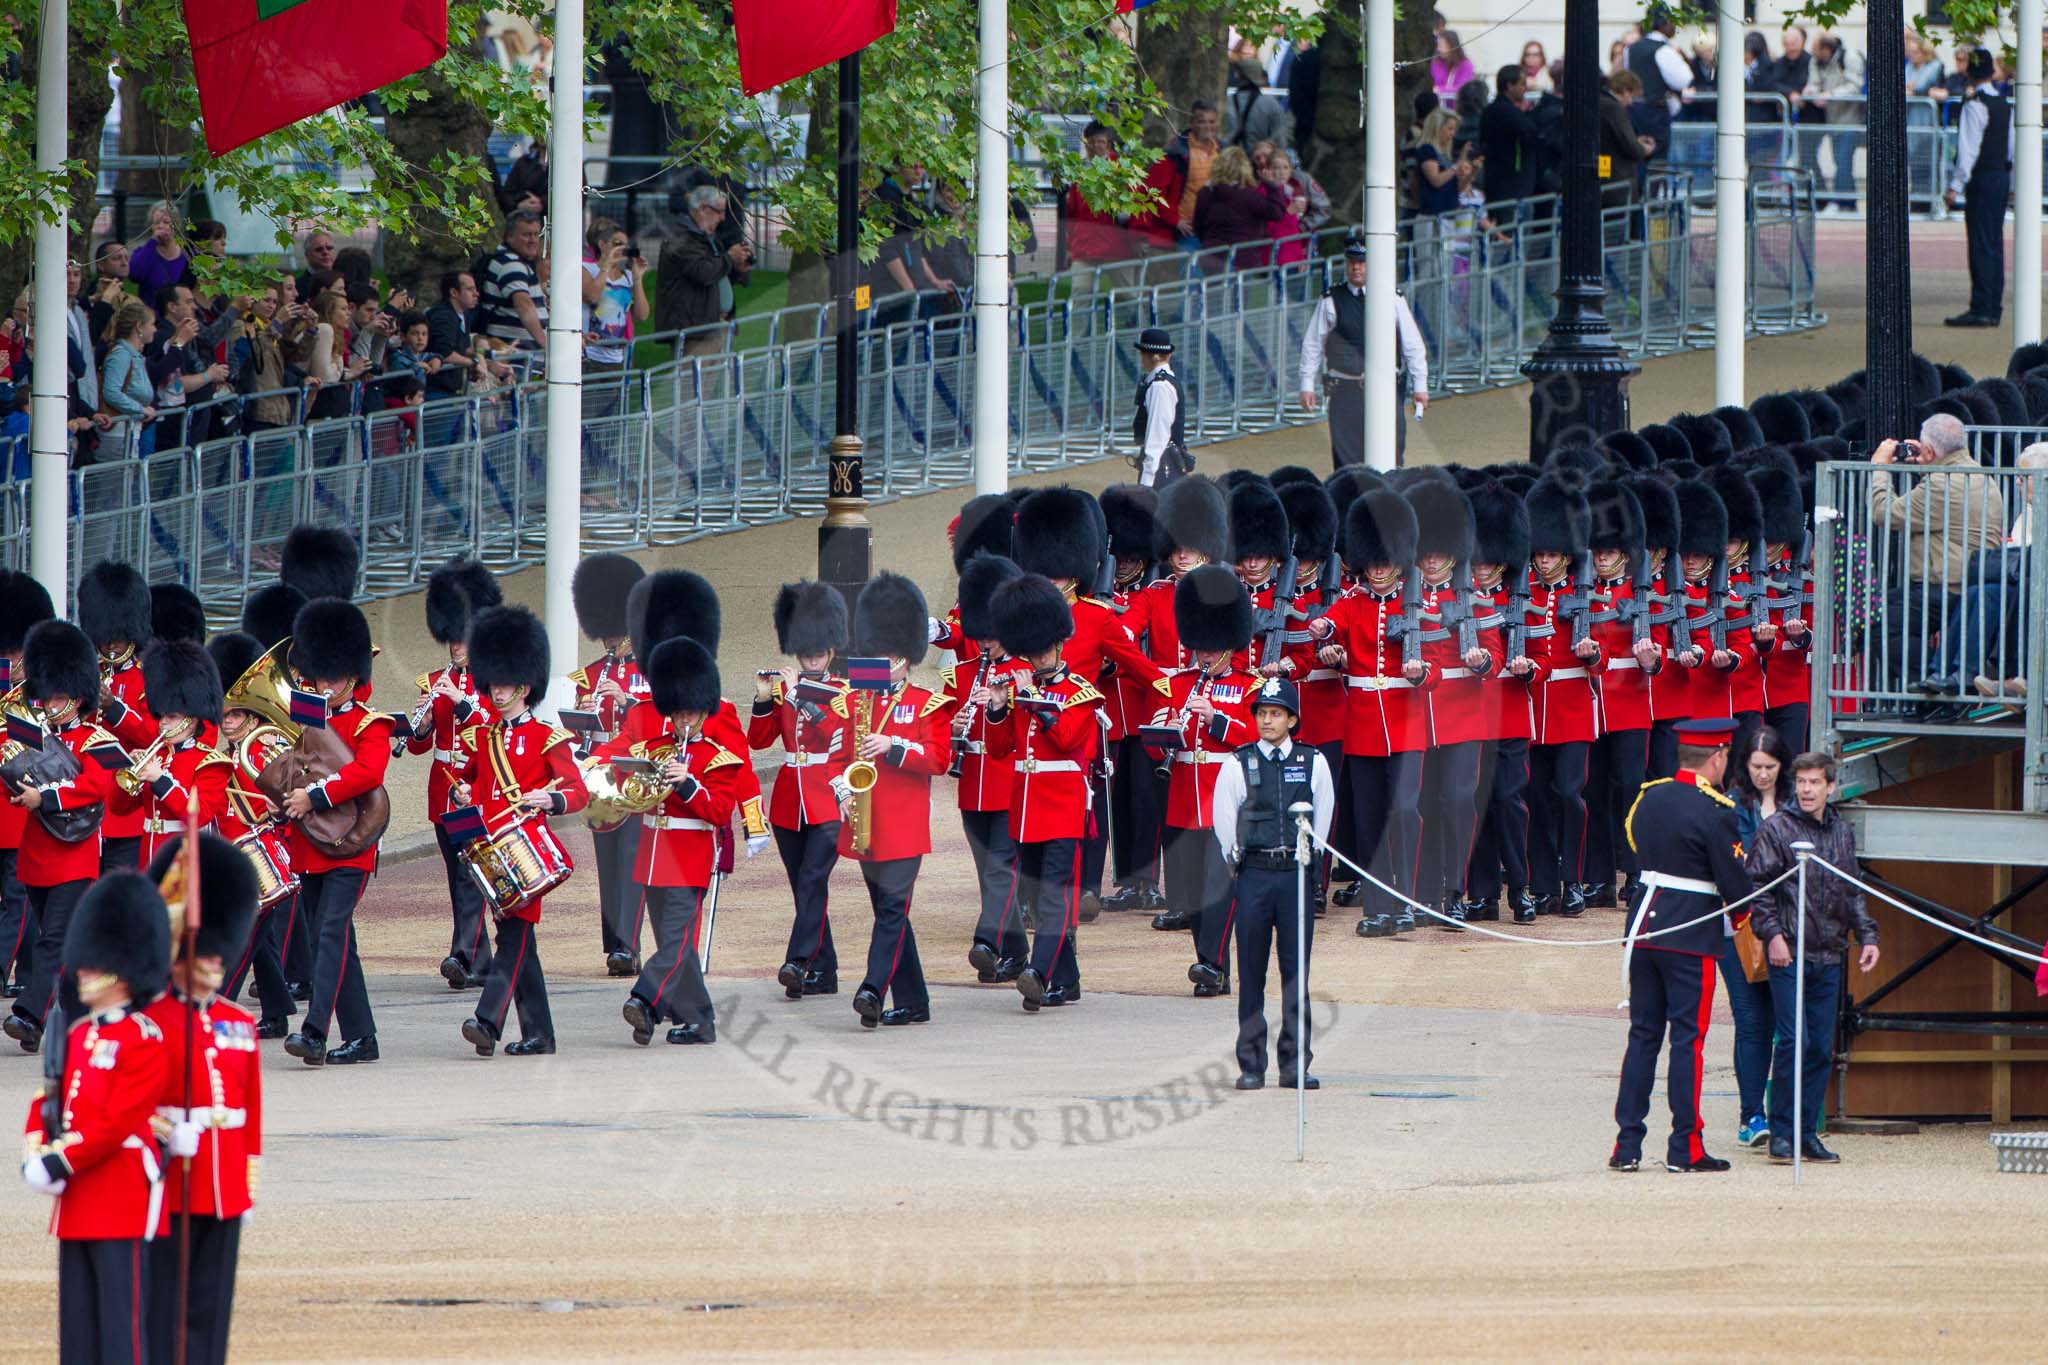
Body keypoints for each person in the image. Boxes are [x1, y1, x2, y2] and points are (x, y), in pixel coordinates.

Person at [19, 872, 172, 1365]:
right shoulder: (80, 1034)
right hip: (80, 1194)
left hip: (121, 1192)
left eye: (94, 965)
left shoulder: (143, 1037)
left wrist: (59, 1161)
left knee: (119, 1328)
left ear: (123, 970)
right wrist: (35, 1148)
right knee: (78, 1330)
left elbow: (118, 1121)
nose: (82, 972)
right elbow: (50, 1101)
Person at [1609, 716, 1754, 1174]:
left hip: (1644, 929)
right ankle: (1685, 1146)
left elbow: (1635, 845)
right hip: (1691, 934)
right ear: (1717, 757)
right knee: (1687, 1042)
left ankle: (1627, 1145)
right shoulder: (1716, 811)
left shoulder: (1649, 798)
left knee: (1643, 1038)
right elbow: (1736, 885)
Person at [142, 834, 262, 1365]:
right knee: (163, 1304)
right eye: (205, 958)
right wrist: (168, 1135)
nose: (215, 968)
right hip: (171, 1180)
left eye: (219, 959)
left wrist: (246, 1186)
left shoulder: (239, 1024)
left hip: (224, 1180)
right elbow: (129, 1102)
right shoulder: (151, 1019)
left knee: (214, 1310)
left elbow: (249, 1111)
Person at [451, 607, 588, 1058]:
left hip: (526, 851)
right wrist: (461, 794)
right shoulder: (483, 736)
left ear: (525, 687)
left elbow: (577, 790)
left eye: (505, 684)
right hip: (491, 850)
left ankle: (487, 1020)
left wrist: (552, 800)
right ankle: (539, 1033)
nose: (497, 690)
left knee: (513, 937)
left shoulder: (548, 738)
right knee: (519, 939)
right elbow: (468, 781)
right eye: (494, 683)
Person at [604, 634, 741, 1047]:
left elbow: (718, 811)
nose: (683, 721)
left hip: (691, 856)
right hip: (652, 856)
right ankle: (700, 1021)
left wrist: (688, 785)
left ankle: (646, 1000)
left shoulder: (718, 757)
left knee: (678, 941)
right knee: (673, 944)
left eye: (691, 713)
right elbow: (628, 786)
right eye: (677, 712)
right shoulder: (654, 749)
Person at [1745, 751, 1880, 1164]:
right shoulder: (1776, 828)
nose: (1806, 789)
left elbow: (1850, 888)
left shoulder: (1840, 829)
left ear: (1830, 786)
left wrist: (1868, 934)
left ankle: (1806, 1132)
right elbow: (1759, 888)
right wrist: (1772, 936)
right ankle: (1781, 1132)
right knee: (1793, 1041)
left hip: (1830, 951)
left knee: (1821, 1046)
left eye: (1814, 782)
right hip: (1790, 950)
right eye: (1801, 782)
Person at [1307, 488, 1430, 937]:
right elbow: (1327, 621)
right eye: (1372, 562)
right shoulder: (1355, 601)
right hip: (1362, 725)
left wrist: (1421, 672)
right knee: (1371, 819)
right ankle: (1377, 905)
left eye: (1385, 561)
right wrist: (1321, 629)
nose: (1377, 570)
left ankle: (1408, 900)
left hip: (1406, 723)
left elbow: (1433, 663)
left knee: (1405, 812)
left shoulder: (1416, 603)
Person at [831, 575, 949, 1029]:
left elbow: (938, 758)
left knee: (892, 911)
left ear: (903, 659)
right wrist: (843, 788)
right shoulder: (857, 701)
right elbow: (839, 758)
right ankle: (914, 1001)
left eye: (883, 657)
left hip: (903, 824)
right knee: (890, 913)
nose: (875, 663)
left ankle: (872, 989)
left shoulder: (926, 704)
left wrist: (894, 746)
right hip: (864, 820)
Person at [279, 592, 391, 1068]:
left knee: (329, 933)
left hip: (351, 843)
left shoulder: (372, 724)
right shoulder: (303, 722)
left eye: (335, 675)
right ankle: (362, 1036)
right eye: (321, 674)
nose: (327, 684)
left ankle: (316, 1031)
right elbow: (288, 768)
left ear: (353, 676)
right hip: (310, 843)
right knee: (336, 938)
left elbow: (368, 774)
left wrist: (316, 796)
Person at [985, 573, 1103, 1014]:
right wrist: (998, 709)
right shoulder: (1018, 690)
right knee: (1036, 895)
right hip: (1027, 805)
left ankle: (1038, 971)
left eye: (1042, 648)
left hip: (1064, 804)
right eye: (1030, 649)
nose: (1036, 657)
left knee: (1054, 893)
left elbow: (1071, 741)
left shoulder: (1080, 693)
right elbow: (1000, 750)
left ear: (1058, 642)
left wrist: (1037, 703)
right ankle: (1065, 981)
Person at [2, 621, 122, 1054]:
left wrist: (45, 796)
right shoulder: (31, 736)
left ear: (77, 697)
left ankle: (29, 1012)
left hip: (75, 854)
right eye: (48, 696)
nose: (52, 704)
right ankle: (73, 1019)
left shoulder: (97, 739)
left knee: (54, 938)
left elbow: (97, 788)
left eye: (59, 697)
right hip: (37, 855)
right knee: (61, 941)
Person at [1214, 675, 1335, 1090]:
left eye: (1275, 714)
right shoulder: (1238, 761)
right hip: (1254, 874)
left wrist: (1312, 862)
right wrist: (1239, 864)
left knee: (1294, 972)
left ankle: (1294, 1062)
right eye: (1262, 713)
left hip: (1295, 876)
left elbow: (1325, 815)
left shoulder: (1312, 760)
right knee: (1250, 973)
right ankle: (1251, 1063)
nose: (1267, 721)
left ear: (1292, 719)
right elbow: (1224, 821)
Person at [1145, 566, 1260, 994]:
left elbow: (1258, 740)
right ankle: (1211, 969)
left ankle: (1211, 965)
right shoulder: (1175, 685)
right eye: (1200, 649)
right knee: (1192, 893)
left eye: (1212, 649)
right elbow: (1156, 748)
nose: (1205, 656)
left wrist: (1219, 722)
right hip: (1181, 798)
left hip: (1225, 800)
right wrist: (1162, 730)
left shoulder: (1251, 688)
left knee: (1218, 886)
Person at [405, 558, 502, 991]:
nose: (456, 648)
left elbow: (496, 724)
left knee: (470, 872)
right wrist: (419, 727)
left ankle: (464, 954)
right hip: (443, 790)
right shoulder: (434, 680)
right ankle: (479, 958)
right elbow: (422, 744)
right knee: (456, 874)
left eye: (461, 640)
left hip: (476, 789)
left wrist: (462, 703)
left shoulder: (494, 679)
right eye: (451, 641)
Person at [750, 581, 849, 1001]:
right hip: (790, 800)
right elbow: (757, 741)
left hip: (829, 795)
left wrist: (794, 696)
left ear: (830, 650)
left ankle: (799, 960)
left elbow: (834, 733)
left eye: (818, 652)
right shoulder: (782, 689)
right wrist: (762, 699)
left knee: (813, 879)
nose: (811, 658)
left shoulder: (844, 689)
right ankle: (824, 971)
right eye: (805, 652)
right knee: (802, 885)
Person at [1867, 421, 2005, 702]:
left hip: (1946, 589)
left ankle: (1944, 680)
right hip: (1963, 584)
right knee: (1880, 607)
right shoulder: (1979, 475)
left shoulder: (1942, 484)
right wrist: (1930, 462)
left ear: (1929, 450)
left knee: (1876, 627)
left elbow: (1884, 513)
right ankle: (1948, 677)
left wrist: (1879, 467)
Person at [943, 554, 1034, 975]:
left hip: (1009, 780)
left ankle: (986, 940)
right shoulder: (963, 673)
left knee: (1001, 867)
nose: (986, 643)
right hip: (972, 782)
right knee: (989, 873)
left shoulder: (1024, 672)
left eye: (993, 635)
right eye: (981, 634)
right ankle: (1015, 955)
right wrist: (955, 724)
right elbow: (940, 724)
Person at [1297, 237, 1429, 467]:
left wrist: (1420, 387)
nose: (1356, 267)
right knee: (1347, 462)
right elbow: (1313, 344)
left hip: (1385, 389)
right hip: (1345, 390)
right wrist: (1307, 384)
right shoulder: (1331, 300)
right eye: (1352, 262)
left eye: (1362, 262)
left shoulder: (1392, 297)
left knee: (1392, 456)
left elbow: (1412, 345)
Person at [1720, 724, 1791, 1147]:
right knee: (1751, 1022)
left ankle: (1782, 1112)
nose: (1763, 774)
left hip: (1787, 926)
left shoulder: (1796, 803)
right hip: (1742, 929)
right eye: (1756, 766)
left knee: (1785, 1023)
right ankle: (1751, 1115)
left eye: (1770, 766)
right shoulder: (1733, 807)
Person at [78, 561, 157, 874]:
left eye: (117, 635)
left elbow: (155, 736)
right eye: (104, 635)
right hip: (85, 804)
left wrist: (116, 709)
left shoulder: (147, 677)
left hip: (125, 809)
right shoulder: (90, 673)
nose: (110, 643)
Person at [1944, 48, 2015, 328]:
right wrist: (2011, 183)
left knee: (1980, 243)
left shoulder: (1975, 104)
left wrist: (1954, 186)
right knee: (1993, 242)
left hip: (1982, 178)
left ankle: (1981, 306)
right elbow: (2011, 149)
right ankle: (1991, 304)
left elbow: (1968, 151)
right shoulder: (2003, 104)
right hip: (1999, 176)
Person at [655, 186, 752, 354]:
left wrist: (738, 268)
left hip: (714, 324)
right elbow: (703, 273)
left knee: (710, 378)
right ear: (702, 209)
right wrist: (729, 257)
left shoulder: (708, 237)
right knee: (693, 379)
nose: (723, 218)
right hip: (694, 329)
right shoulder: (681, 237)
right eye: (719, 211)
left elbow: (718, 273)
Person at [1192, 145, 1285, 272]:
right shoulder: (1249, 195)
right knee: (1239, 291)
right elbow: (1277, 213)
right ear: (1244, 168)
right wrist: (1272, 186)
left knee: (1212, 291)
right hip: (1242, 259)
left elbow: (1198, 226)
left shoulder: (1205, 192)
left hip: (1211, 256)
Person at [1803, 33, 1867, 213]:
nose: (1814, 56)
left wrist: (1830, 95)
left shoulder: (1850, 58)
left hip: (1850, 119)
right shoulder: (1816, 61)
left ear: (1827, 50)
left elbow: (1855, 86)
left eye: (1817, 52)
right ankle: (1848, 203)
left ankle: (1842, 202)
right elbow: (1814, 81)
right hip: (1832, 119)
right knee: (1839, 160)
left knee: (1843, 159)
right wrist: (1812, 92)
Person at [1624, 5, 1695, 160]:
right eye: (1672, 22)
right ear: (1663, 24)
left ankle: (1639, 185)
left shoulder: (1631, 49)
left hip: (1633, 110)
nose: (1674, 27)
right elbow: (1683, 79)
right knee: (1658, 161)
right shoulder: (1664, 50)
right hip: (1655, 112)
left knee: (1636, 156)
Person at [478, 210, 549, 350]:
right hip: (515, 357)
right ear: (510, 236)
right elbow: (524, 305)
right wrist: (546, 344)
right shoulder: (511, 265)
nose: (533, 240)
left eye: (536, 234)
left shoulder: (515, 261)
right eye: (526, 235)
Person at [99, 301, 159, 459]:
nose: (155, 329)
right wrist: (141, 409)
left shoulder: (134, 356)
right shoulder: (121, 355)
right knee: (117, 481)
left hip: (130, 431)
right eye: (152, 324)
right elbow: (111, 392)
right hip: (117, 433)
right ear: (139, 326)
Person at [1164, 102, 1224, 250]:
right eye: (1201, 121)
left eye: (1211, 121)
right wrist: (1175, 220)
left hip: (1215, 228)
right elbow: (1157, 190)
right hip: (1188, 228)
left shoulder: (1223, 150)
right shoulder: (1176, 150)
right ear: (1192, 123)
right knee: (1191, 272)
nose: (1207, 126)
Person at [1131, 327, 1186, 488]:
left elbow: (1157, 437)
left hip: (1161, 470)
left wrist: (1146, 481)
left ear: (1149, 356)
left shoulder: (1159, 387)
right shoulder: (1166, 381)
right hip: (1168, 465)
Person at [1481, 66, 1541, 209]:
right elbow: (1531, 134)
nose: (1525, 88)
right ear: (1509, 86)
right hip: (1513, 186)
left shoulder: (1490, 111)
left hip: (1498, 183)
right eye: (1522, 84)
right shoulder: (1511, 114)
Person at [128, 202, 195, 302]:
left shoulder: (188, 254)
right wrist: (153, 241)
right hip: (151, 313)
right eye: (157, 223)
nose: (161, 226)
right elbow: (134, 275)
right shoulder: (144, 252)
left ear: (176, 226)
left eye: (166, 222)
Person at [1224, 57, 1289, 151]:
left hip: (1230, 160)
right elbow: (1279, 140)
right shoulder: (1271, 104)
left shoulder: (1226, 101)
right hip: (1261, 162)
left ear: (1240, 76)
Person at [1431, 29, 1474, 99]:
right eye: (1438, 46)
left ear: (1452, 45)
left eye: (1441, 46)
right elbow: (1437, 84)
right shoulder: (1437, 63)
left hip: (1459, 106)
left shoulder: (1466, 65)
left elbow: (1463, 88)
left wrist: (1441, 90)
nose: (1439, 49)